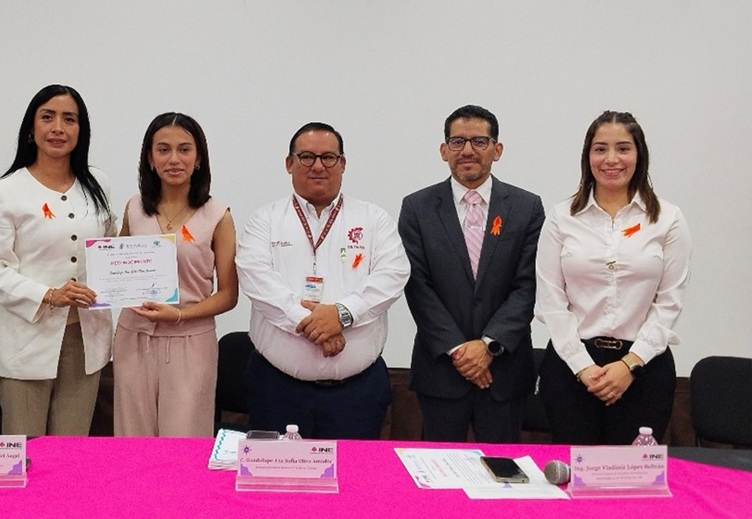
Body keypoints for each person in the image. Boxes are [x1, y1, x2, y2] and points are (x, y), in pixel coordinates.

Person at [236, 122, 410, 439]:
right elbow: (256, 279)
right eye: (306, 157)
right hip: (277, 390)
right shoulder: (266, 220)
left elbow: (393, 274)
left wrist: (342, 314)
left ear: (342, 164)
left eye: (328, 157)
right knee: (275, 485)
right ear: (289, 163)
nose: (318, 166)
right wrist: (315, 324)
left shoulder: (373, 219)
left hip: (357, 394)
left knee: (354, 482)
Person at [536, 110, 691, 445]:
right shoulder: (562, 217)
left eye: (623, 148)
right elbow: (551, 301)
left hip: (645, 370)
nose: (611, 159)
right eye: (600, 148)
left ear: (639, 155)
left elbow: (670, 301)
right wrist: (582, 366)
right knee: (573, 480)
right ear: (587, 156)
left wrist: (630, 364)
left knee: (631, 485)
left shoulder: (668, 219)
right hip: (571, 369)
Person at [398, 105, 545, 443]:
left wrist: (488, 346)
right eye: (457, 141)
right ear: (443, 150)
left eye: (479, 141)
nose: (467, 150)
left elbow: (528, 284)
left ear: (497, 149)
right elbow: (416, 285)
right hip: (440, 371)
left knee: (503, 478)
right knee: (436, 476)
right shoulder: (417, 207)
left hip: (503, 372)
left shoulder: (526, 207)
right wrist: (459, 350)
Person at [0, 84, 116, 436]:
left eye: (69, 119)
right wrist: (48, 295)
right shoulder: (5, 191)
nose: (58, 127)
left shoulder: (97, 183)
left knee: (70, 453)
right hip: (24, 339)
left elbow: (109, 249)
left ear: (80, 130)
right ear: (31, 128)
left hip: (86, 340)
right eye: (48, 117)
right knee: (26, 450)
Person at [113, 113, 238, 437]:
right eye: (163, 149)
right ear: (150, 159)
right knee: (132, 440)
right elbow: (117, 268)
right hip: (133, 337)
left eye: (184, 149)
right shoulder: (134, 208)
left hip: (190, 341)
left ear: (198, 159)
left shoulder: (218, 215)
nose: (174, 159)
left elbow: (228, 294)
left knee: (184, 446)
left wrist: (179, 313)